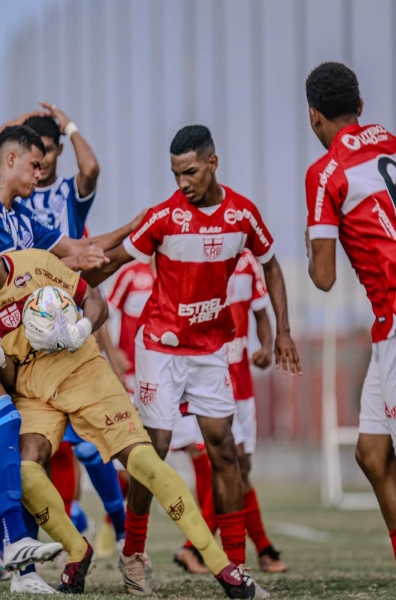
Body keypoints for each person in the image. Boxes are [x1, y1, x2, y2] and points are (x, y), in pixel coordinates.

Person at [0, 228, 258, 598]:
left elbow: (96, 303)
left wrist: (81, 329)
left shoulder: (36, 265)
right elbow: (10, 378)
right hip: (33, 390)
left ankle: (221, 566)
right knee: (22, 468)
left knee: (143, 461)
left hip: (83, 371)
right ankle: (78, 551)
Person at [86, 124, 301, 596]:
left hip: (210, 351)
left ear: (212, 163)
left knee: (225, 451)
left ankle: (235, 567)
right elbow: (115, 260)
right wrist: (69, 278)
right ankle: (135, 556)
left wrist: (282, 330)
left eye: (190, 172)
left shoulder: (243, 215)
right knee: (154, 450)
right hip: (160, 349)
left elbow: (272, 264)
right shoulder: (164, 217)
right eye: (175, 174)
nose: (182, 183)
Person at [0, 124, 137, 593]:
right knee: (7, 421)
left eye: (46, 166)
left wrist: (140, 230)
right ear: (12, 160)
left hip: (0, 338)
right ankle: (15, 549)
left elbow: (79, 253)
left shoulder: (21, 215)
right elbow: (27, 272)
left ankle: (14, 565)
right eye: (36, 164)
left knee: (21, 441)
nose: (42, 174)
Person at [304, 61, 396, 600]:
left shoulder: (327, 171)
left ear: (313, 116)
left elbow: (323, 278)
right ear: (361, 105)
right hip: (394, 325)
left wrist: (313, 247)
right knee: (373, 455)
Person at [172, 249, 288, 574]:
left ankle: (258, 549)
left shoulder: (249, 263)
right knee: (229, 463)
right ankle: (200, 547)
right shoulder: (195, 259)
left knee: (242, 466)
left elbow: (261, 314)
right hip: (207, 380)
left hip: (242, 385)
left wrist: (267, 346)